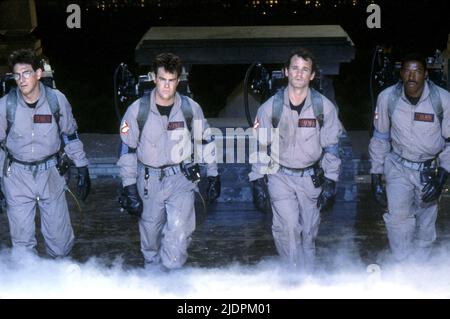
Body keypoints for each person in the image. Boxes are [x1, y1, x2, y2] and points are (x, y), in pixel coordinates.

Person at [117, 52, 220, 270]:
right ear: (153, 77)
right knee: (150, 236)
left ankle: (173, 282)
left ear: (178, 80)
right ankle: (154, 278)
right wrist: (128, 187)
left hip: (180, 180)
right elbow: (127, 150)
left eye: (171, 81)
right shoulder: (137, 111)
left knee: (179, 234)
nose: (166, 86)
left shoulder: (191, 109)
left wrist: (213, 174)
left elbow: (205, 141)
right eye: (162, 79)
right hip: (148, 182)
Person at [249, 48, 343, 271]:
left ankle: (307, 279)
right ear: (286, 72)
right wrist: (257, 180)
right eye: (295, 68)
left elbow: (331, 148)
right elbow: (260, 146)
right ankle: (292, 277)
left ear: (312, 75)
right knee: (288, 228)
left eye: (305, 70)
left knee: (309, 233)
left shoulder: (324, 108)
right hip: (279, 176)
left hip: (311, 179)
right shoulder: (270, 108)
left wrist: (331, 180)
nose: (299, 74)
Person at [0, 49, 91, 258]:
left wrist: (82, 167)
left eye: (27, 73)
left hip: (51, 173)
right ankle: (30, 282)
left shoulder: (56, 100)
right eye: (17, 75)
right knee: (22, 241)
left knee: (60, 241)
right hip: (17, 176)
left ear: (39, 73)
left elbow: (70, 135)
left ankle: (59, 279)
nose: (21, 80)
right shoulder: (6, 106)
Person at [369, 53, 450, 263]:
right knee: (398, 222)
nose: (412, 76)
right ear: (401, 73)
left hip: (428, 171)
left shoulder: (442, 100)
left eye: (418, 71)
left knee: (425, 224)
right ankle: (402, 266)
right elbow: (380, 137)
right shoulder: (388, 97)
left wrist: (442, 176)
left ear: (426, 75)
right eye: (407, 70)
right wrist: (376, 175)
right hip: (398, 167)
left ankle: (419, 268)